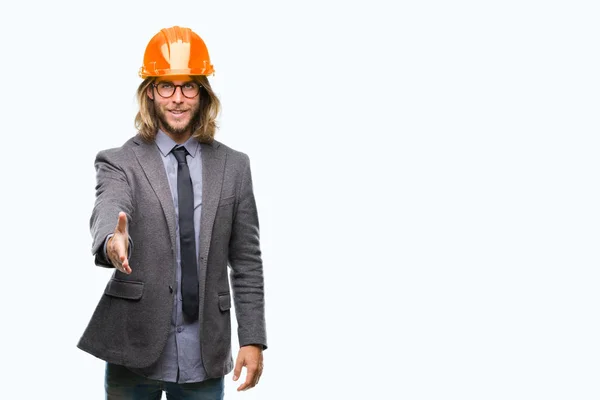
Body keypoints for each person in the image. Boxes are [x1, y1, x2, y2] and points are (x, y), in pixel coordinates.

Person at [77, 26, 267, 399]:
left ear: (203, 93)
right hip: (133, 349)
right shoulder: (120, 162)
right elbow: (109, 206)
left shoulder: (235, 167)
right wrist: (113, 241)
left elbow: (247, 260)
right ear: (150, 93)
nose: (177, 99)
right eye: (166, 86)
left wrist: (253, 338)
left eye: (188, 86)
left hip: (205, 352)